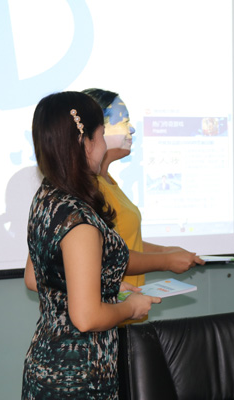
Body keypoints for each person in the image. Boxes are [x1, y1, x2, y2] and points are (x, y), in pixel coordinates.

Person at [22, 91, 161, 399]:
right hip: (78, 378)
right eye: (100, 135)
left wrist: (107, 284)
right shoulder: (79, 219)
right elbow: (86, 318)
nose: (103, 145)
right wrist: (130, 307)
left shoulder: (47, 197)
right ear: (85, 142)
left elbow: (41, 277)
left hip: (46, 364)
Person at [81, 88, 204, 293]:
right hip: (108, 308)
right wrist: (165, 260)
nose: (132, 129)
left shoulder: (108, 180)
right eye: (124, 121)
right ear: (96, 130)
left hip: (127, 306)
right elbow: (106, 256)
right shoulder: (87, 188)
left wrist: (165, 251)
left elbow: (123, 242)